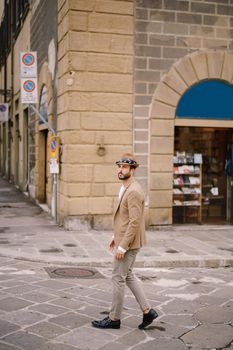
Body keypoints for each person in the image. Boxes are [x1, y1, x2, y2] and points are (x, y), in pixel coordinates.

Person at [92, 153, 158, 330]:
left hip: (129, 243)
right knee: (127, 276)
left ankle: (114, 318)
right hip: (126, 239)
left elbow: (135, 222)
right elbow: (125, 217)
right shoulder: (125, 187)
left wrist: (123, 245)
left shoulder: (134, 191)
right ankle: (147, 311)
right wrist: (116, 236)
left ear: (133, 169)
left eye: (125, 167)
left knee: (117, 278)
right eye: (119, 166)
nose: (120, 170)